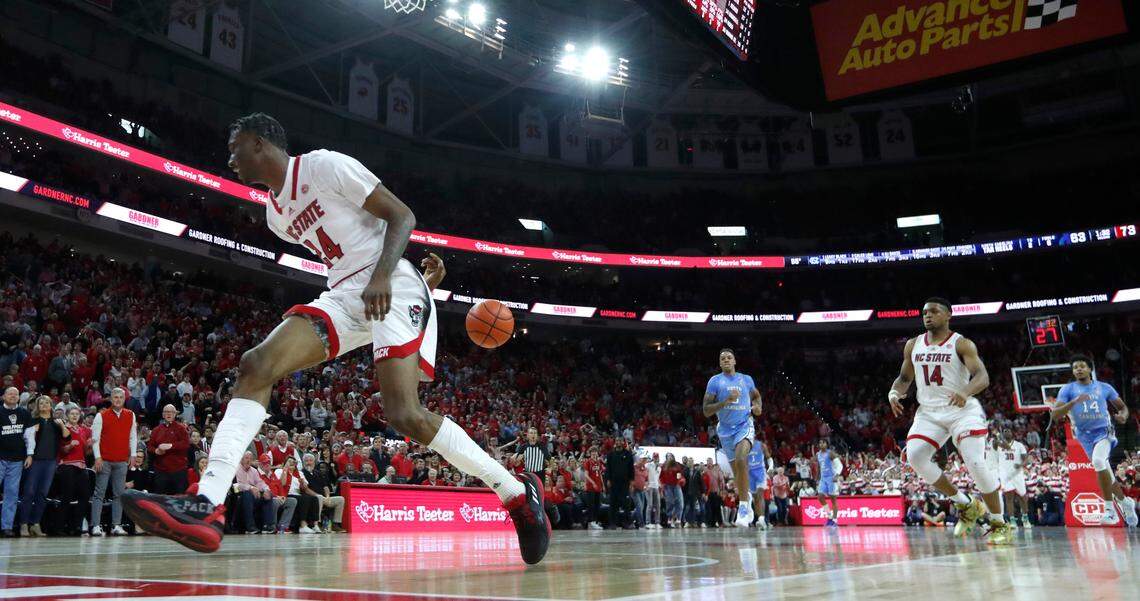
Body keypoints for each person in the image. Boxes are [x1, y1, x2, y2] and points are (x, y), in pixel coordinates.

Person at [122, 113, 548, 563]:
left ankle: (517, 494)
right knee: (255, 364)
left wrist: (387, 275)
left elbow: (402, 216)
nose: (231, 158)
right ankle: (206, 505)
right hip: (346, 293)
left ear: (262, 143)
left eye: (236, 147)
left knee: (405, 416)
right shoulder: (275, 214)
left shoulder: (324, 166)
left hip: (390, 285)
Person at [887, 298, 1012, 545]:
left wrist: (965, 391)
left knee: (975, 462)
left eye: (934, 311)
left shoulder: (961, 343)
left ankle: (999, 522)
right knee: (915, 456)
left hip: (962, 409)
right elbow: (904, 377)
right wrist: (893, 392)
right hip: (929, 411)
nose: (928, 316)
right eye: (924, 312)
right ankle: (966, 505)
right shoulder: (913, 345)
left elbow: (982, 376)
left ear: (948, 316)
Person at [1051, 354, 1138, 526]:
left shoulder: (1104, 387)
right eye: (1075, 367)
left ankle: (1109, 510)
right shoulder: (1067, 390)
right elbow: (1055, 415)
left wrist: (1123, 415)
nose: (1079, 369)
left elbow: (1122, 407)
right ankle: (1126, 503)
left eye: (1082, 366)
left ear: (1090, 369)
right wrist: (1073, 402)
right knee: (1106, 472)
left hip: (1104, 431)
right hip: (1084, 435)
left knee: (1098, 461)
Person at [702, 348, 762, 528]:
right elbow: (706, 410)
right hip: (725, 430)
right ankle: (746, 495)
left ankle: (743, 506)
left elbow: (757, 396)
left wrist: (757, 407)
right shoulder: (715, 382)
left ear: (735, 361)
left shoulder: (746, 379)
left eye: (729, 357)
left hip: (744, 425)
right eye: (723, 358)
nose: (726, 360)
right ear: (720, 363)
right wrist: (725, 401)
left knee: (742, 459)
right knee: (737, 471)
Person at [89, 387, 138, 536]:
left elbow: (133, 436)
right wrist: (97, 457)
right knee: (99, 494)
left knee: (119, 494)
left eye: (120, 397)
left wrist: (133, 454)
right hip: (104, 461)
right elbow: (95, 439)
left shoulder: (131, 415)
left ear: (124, 399)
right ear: (111, 399)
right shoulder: (101, 416)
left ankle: (116, 525)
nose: (118, 400)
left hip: (122, 461)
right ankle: (96, 526)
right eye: (115, 397)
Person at [19, 395, 70, 536]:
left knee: (42, 494)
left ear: (51, 405)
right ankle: (23, 524)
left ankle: (35, 524)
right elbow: (24, 438)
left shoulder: (56, 422)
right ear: (37, 406)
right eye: (41, 402)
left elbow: (67, 437)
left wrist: (62, 425)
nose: (44, 404)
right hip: (34, 461)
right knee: (28, 492)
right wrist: (32, 431)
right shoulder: (32, 420)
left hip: (50, 462)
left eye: (47, 402)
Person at [56, 407, 92, 535]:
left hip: (81, 466)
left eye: (77, 414)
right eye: (72, 413)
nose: (75, 416)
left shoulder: (83, 430)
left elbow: (86, 453)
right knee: (67, 496)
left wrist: (90, 446)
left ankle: (76, 526)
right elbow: (62, 450)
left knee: (84, 496)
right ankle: (59, 527)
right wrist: (70, 445)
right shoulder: (64, 429)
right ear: (67, 415)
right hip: (67, 466)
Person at [149, 404, 191, 495]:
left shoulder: (181, 428)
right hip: (160, 470)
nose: (168, 414)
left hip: (178, 470)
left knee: (180, 498)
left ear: (175, 414)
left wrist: (171, 446)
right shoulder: (156, 430)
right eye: (166, 412)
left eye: (171, 412)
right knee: (160, 498)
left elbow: (186, 444)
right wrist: (156, 451)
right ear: (163, 414)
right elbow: (150, 446)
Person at [301, 452, 345, 532]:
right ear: (303, 463)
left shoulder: (318, 473)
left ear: (314, 462)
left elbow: (325, 487)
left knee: (341, 499)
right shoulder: (302, 473)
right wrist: (318, 495)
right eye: (306, 461)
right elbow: (306, 489)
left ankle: (335, 524)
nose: (309, 463)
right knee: (319, 498)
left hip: (324, 498)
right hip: (312, 498)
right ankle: (317, 523)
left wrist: (328, 496)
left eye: (311, 461)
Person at [998, 428, 1030, 528]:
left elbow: (1026, 459)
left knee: (1023, 496)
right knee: (1009, 497)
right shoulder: (999, 445)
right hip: (1005, 474)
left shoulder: (1019, 445)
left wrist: (1021, 465)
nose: (1007, 432)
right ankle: (1012, 520)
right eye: (1005, 431)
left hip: (1017, 474)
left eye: (1008, 431)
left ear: (1012, 433)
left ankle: (1025, 517)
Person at [605, 438, 634, 529]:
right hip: (613, 483)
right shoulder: (610, 454)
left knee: (626, 504)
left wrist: (631, 481)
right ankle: (613, 523)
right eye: (617, 441)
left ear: (623, 442)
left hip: (625, 483)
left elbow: (631, 469)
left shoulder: (628, 454)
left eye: (620, 441)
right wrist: (608, 480)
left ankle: (627, 523)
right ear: (615, 442)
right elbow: (608, 468)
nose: (618, 442)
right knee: (613, 503)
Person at [813, 440, 840, 527]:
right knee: (820, 497)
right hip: (823, 478)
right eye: (820, 443)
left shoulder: (831, 453)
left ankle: (835, 520)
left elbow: (839, 465)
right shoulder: (818, 454)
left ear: (827, 444)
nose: (821, 444)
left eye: (823, 443)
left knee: (833, 499)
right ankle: (829, 517)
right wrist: (817, 477)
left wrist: (836, 475)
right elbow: (819, 466)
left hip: (831, 478)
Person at [748, 440, 770, 530]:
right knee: (755, 498)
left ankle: (762, 520)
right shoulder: (744, 446)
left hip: (760, 471)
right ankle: (760, 518)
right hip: (750, 473)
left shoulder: (761, 445)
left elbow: (769, 457)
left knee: (760, 495)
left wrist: (771, 467)